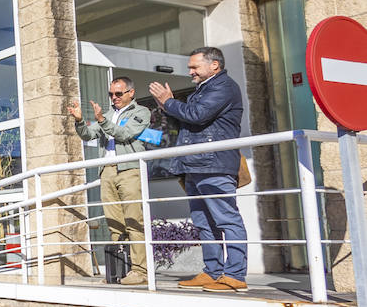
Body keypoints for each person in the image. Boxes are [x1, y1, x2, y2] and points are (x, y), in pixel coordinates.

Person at [149, 46, 248, 292]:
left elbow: (198, 115)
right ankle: (213, 271)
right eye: (190, 67)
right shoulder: (203, 89)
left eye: (195, 66)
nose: (190, 71)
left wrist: (169, 102)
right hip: (195, 163)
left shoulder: (224, 87)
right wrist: (166, 107)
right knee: (204, 222)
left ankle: (235, 275)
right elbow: (187, 121)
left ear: (214, 65)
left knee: (226, 218)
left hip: (214, 163)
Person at [69, 77, 152, 286]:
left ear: (131, 93)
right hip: (106, 171)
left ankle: (141, 271)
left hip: (129, 169)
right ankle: (117, 272)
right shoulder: (106, 115)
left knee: (134, 221)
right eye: (111, 94)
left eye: (118, 94)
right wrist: (79, 121)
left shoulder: (140, 112)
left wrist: (103, 121)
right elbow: (88, 135)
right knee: (115, 225)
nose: (114, 98)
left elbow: (125, 134)